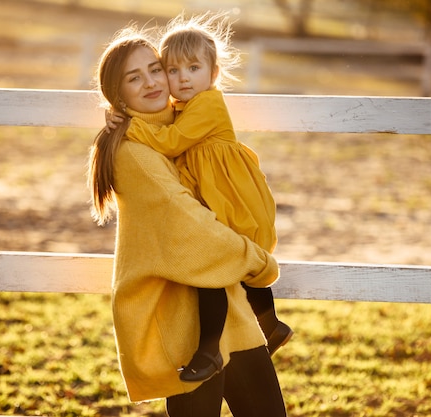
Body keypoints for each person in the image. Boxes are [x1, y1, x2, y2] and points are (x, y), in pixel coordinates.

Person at [88, 26, 287, 417]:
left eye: (155, 69)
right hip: (184, 327)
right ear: (118, 93)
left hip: (229, 309)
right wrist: (258, 261)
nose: (151, 82)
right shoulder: (134, 153)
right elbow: (191, 226)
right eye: (134, 78)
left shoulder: (175, 125)